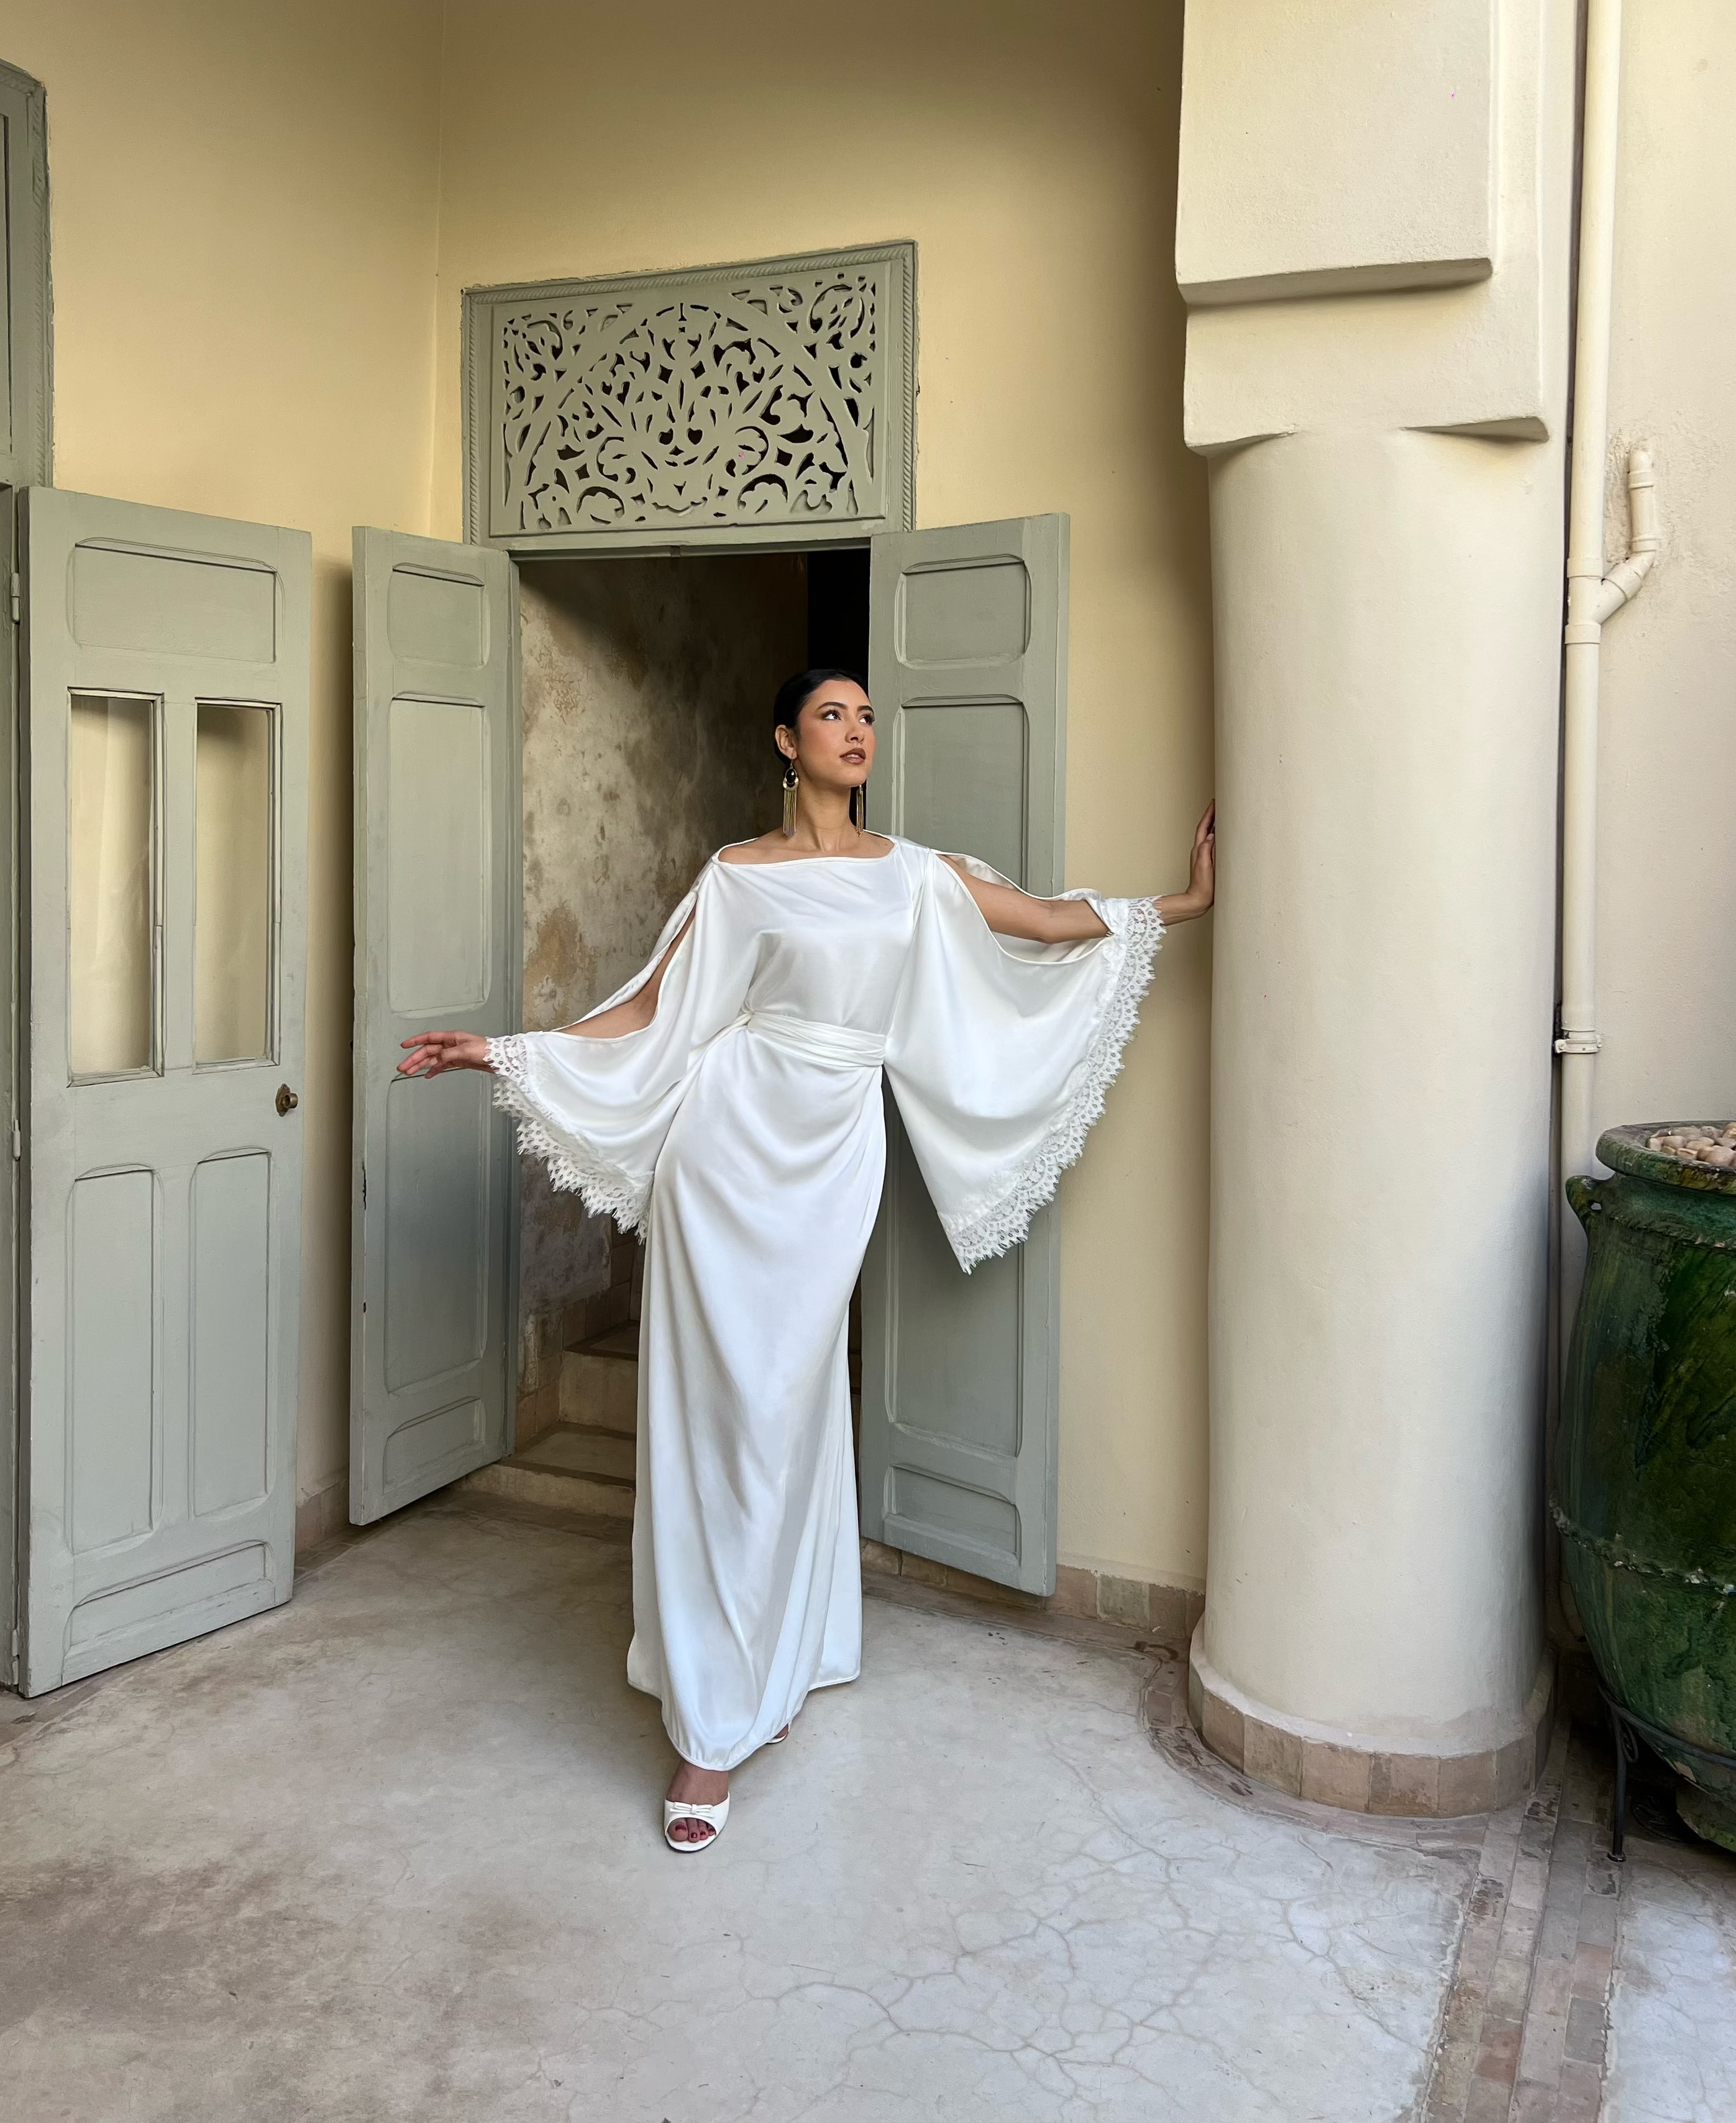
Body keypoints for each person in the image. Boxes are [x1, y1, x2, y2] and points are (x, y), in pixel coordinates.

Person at [398, 668, 1215, 1852]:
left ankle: (787, 1649)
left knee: (787, 1407)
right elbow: (650, 1013)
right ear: (786, 741)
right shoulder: (736, 875)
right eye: (835, 715)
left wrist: (1184, 905)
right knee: (718, 1422)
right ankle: (707, 1730)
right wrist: (504, 1050)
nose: (859, 732)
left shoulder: (917, 871)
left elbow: (1042, 922)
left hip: (835, 1155)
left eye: (869, 716)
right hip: (723, 1153)